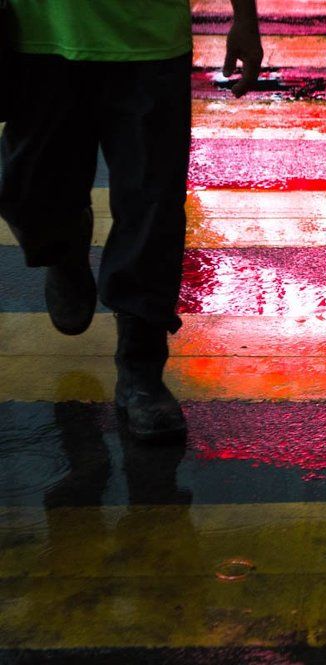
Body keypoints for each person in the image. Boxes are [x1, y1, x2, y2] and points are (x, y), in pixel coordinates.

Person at [0, 1, 263, 440]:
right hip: (38, 34)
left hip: (147, 39)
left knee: (152, 206)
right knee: (27, 190)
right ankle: (62, 246)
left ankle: (141, 372)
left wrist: (245, 17)